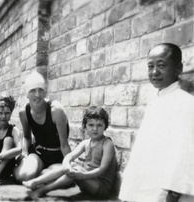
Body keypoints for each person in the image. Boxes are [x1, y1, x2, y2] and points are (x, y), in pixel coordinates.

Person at [119, 43, 194, 202]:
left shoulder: (186, 103)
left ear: (178, 68)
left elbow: (185, 153)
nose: (154, 72)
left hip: (166, 192)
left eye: (161, 65)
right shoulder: (155, 101)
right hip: (145, 185)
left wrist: (173, 194)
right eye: (150, 66)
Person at [22, 106, 117, 199]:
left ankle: (43, 190)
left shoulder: (107, 144)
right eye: (91, 125)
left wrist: (82, 175)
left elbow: (102, 169)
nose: (95, 129)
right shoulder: (86, 142)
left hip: (100, 187)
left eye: (99, 125)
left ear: (105, 126)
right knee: (71, 165)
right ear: (85, 126)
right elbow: (69, 156)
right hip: (86, 182)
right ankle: (36, 182)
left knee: (75, 168)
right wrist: (67, 164)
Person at [14, 71, 71, 182]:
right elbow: (26, 137)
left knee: (63, 177)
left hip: (57, 155)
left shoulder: (56, 110)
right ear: (27, 94)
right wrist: (24, 154)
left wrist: (69, 164)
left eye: (40, 90)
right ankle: (37, 172)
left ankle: (42, 174)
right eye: (32, 91)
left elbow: (64, 145)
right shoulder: (23, 112)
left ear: (45, 91)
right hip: (38, 153)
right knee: (23, 176)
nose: (37, 95)